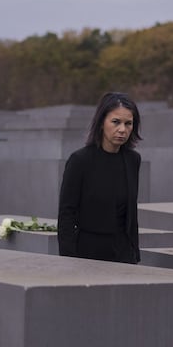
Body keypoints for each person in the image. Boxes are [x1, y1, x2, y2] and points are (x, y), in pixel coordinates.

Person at [56, 92, 143, 263]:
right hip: (87, 254)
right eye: (116, 122)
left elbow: (130, 214)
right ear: (102, 122)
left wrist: (134, 253)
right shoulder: (80, 160)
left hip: (124, 254)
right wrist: (68, 260)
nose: (122, 129)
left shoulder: (133, 160)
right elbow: (66, 214)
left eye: (128, 124)